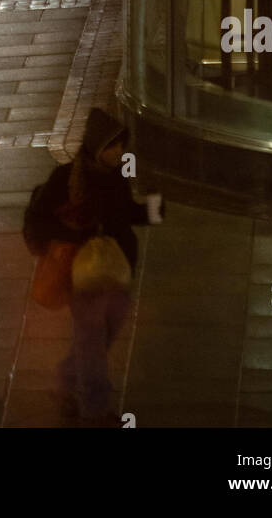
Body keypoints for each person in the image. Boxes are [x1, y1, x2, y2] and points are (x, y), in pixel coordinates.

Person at [24, 107, 163, 426]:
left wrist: (152, 211)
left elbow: (125, 215)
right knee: (92, 342)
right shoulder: (66, 178)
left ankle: (66, 383)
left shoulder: (116, 177)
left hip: (116, 270)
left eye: (121, 146)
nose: (119, 152)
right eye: (112, 146)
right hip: (82, 274)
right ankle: (95, 410)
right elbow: (37, 220)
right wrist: (72, 236)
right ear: (96, 146)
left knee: (102, 337)